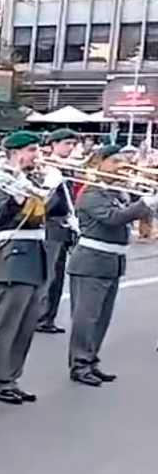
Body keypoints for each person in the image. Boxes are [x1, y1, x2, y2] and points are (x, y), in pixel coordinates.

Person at [64, 142, 157, 386]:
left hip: (111, 261)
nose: (121, 167)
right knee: (87, 317)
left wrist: (148, 204)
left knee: (102, 317)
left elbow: (134, 216)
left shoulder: (115, 192)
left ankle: (91, 360)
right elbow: (113, 219)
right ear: (100, 163)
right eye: (115, 162)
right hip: (91, 262)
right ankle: (79, 364)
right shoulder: (92, 193)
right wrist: (145, 203)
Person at [0, 130, 56, 406]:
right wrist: (15, 200)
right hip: (14, 256)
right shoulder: (1, 180)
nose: (37, 156)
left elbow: (52, 212)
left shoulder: (36, 178)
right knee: (6, 323)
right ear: (16, 153)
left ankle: (11, 377)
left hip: (36, 256)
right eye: (32, 150)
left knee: (25, 324)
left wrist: (52, 190)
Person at [35, 128, 81, 335]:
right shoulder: (48, 168)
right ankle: (41, 316)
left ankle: (48, 316)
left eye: (72, 144)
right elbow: (45, 202)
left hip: (65, 224)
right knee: (51, 273)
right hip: (52, 224)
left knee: (59, 274)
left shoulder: (68, 167)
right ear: (53, 145)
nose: (70, 148)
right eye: (65, 144)